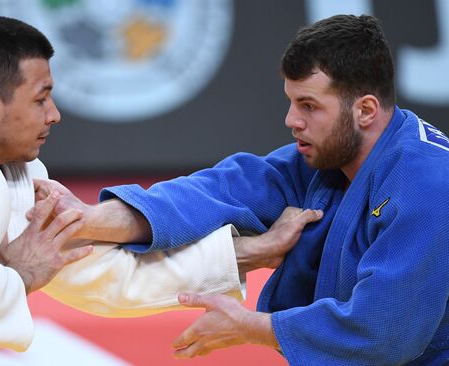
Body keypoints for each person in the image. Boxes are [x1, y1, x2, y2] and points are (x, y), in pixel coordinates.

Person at [0, 15, 323, 365]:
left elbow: (105, 276)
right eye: (41, 99)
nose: (55, 114)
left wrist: (251, 253)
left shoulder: (18, 175)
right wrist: (21, 272)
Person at [35, 14, 449, 364]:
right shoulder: (324, 160)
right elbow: (220, 191)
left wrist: (252, 326)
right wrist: (88, 218)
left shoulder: (427, 183)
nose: (292, 120)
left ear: (365, 110)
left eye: (309, 105)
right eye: (290, 102)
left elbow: (386, 331)